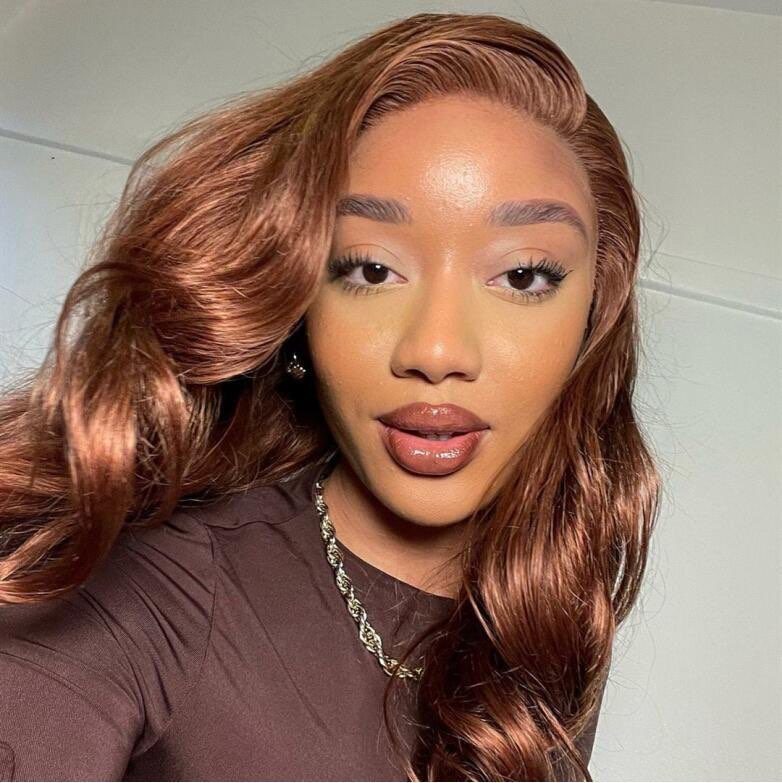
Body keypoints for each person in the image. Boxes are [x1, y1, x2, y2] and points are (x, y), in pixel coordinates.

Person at [0, 11, 661, 782]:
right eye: (371, 269)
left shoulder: (548, 612)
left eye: (522, 275)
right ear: (297, 299)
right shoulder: (143, 597)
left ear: (591, 321)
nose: (436, 350)